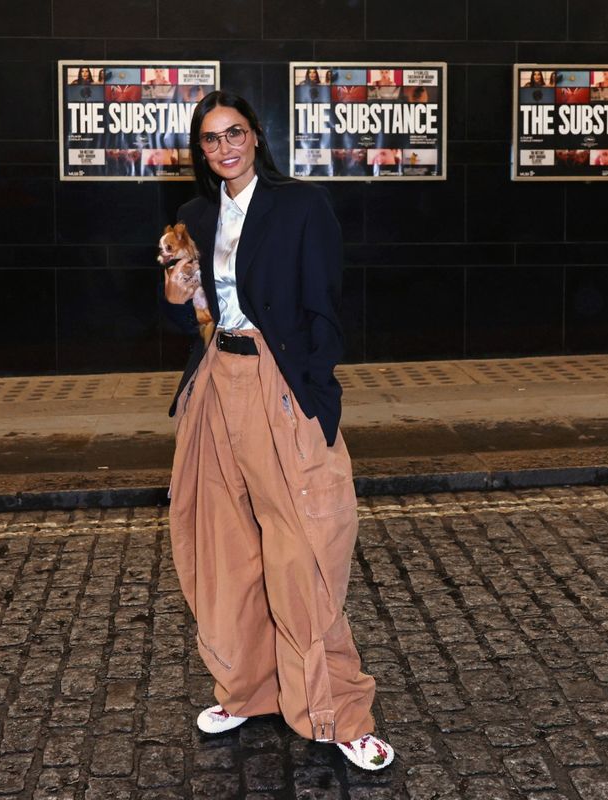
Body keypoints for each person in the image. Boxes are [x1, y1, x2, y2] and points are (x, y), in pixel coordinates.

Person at [159, 90, 394, 772]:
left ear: (256, 137)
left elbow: (325, 307)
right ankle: (248, 688)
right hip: (214, 385)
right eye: (210, 138)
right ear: (199, 151)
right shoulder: (194, 216)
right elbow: (198, 315)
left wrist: (314, 398)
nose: (223, 146)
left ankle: (336, 711)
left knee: (306, 554)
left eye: (234, 132)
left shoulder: (299, 206)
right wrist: (180, 293)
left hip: (278, 384)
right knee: (220, 548)